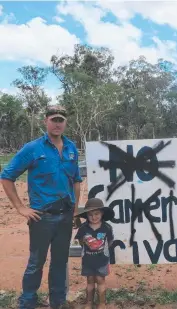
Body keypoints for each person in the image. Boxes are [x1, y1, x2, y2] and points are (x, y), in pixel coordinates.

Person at [0, 105, 82, 309]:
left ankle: (58, 302)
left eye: (61, 119)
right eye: (53, 119)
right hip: (42, 217)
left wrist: (75, 209)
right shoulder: (32, 148)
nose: (57, 123)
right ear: (45, 121)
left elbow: (77, 180)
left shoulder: (71, 148)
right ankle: (27, 302)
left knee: (60, 263)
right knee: (36, 263)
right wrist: (21, 208)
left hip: (65, 215)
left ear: (65, 122)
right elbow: (6, 176)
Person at [74, 198, 115, 309]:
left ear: (102, 213)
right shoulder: (83, 228)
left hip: (102, 260)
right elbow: (81, 241)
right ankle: (89, 302)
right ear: (86, 215)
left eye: (96, 214)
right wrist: (89, 245)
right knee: (90, 280)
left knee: (101, 280)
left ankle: (102, 303)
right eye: (90, 214)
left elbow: (110, 242)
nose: (94, 217)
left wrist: (101, 248)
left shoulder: (107, 228)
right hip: (88, 261)